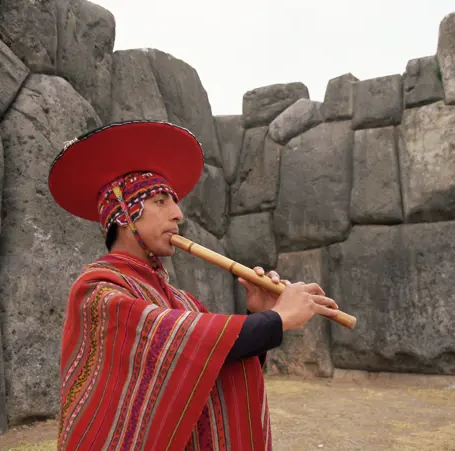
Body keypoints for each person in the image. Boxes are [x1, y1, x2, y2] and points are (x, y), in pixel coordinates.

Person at [48, 120, 340, 451]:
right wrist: (280, 318)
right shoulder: (97, 290)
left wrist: (259, 311)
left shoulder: (180, 301)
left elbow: (214, 365)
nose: (178, 214)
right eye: (160, 201)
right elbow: (172, 340)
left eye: (173, 201)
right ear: (123, 214)